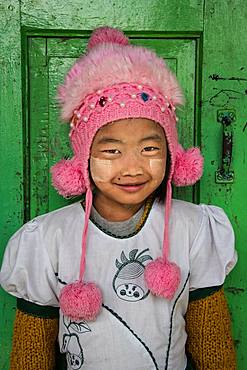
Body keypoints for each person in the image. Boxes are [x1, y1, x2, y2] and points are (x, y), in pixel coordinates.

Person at [0, 26, 237, 370]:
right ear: (82, 158)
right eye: (111, 150)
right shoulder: (47, 239)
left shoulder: (194, 228)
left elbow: (211, 338)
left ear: (172, 154)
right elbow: (31, 351)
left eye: (150, 148)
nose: (133, 167)